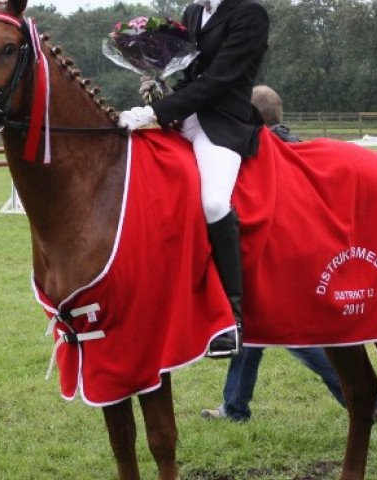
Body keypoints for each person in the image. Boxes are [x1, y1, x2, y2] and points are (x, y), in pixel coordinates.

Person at [199, 85, 377, 422]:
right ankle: (235, 405)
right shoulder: (297, 145)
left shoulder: (259, 152)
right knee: (250, 331)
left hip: (280, 257)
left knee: (299, 339)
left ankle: (366, 399)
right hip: (293, 252)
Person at [118, 0, 270, 357]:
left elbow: (219, 81)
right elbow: (192, 75)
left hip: (223, 123)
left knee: (214, 202)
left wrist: (155, 112)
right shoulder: (193, 13)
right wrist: (160, 90)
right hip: (184, 119)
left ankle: (233, 321)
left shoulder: (250, 14)